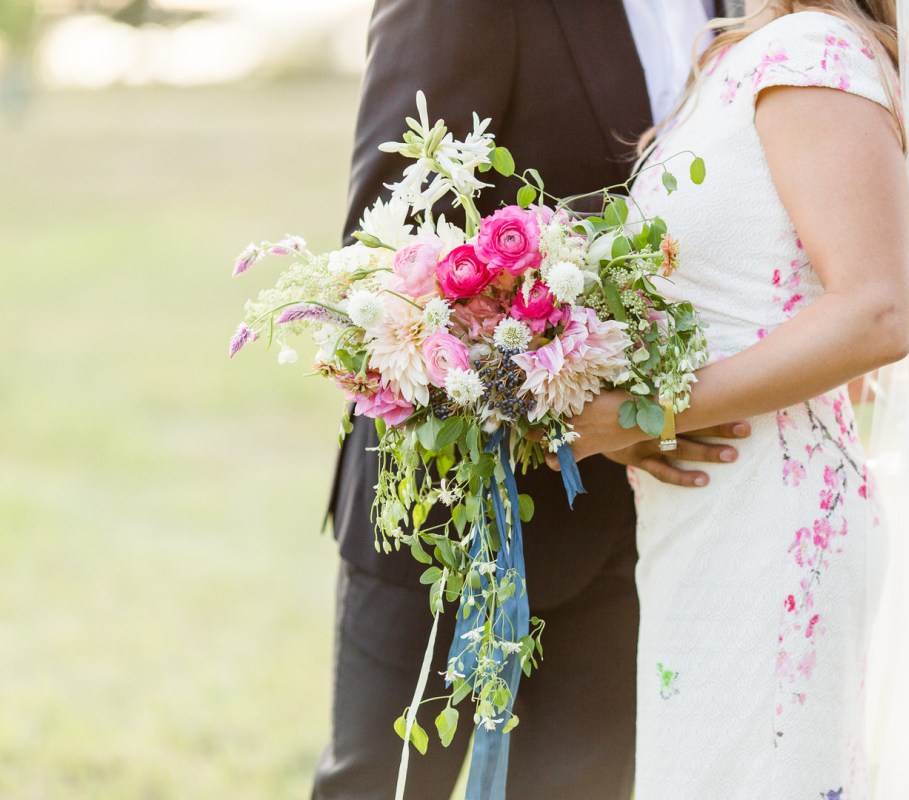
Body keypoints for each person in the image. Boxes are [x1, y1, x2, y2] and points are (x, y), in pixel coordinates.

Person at [562, 0, 909, 795]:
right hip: (706, 518)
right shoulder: (751, 53)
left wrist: (651, 413)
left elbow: (876, 313)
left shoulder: (814, 54)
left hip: (771, 525)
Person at [311, 2, 742, 798]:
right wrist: (567, 413)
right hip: (449, 505)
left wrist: (650, 408)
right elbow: (386, 261)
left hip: (633, 514)